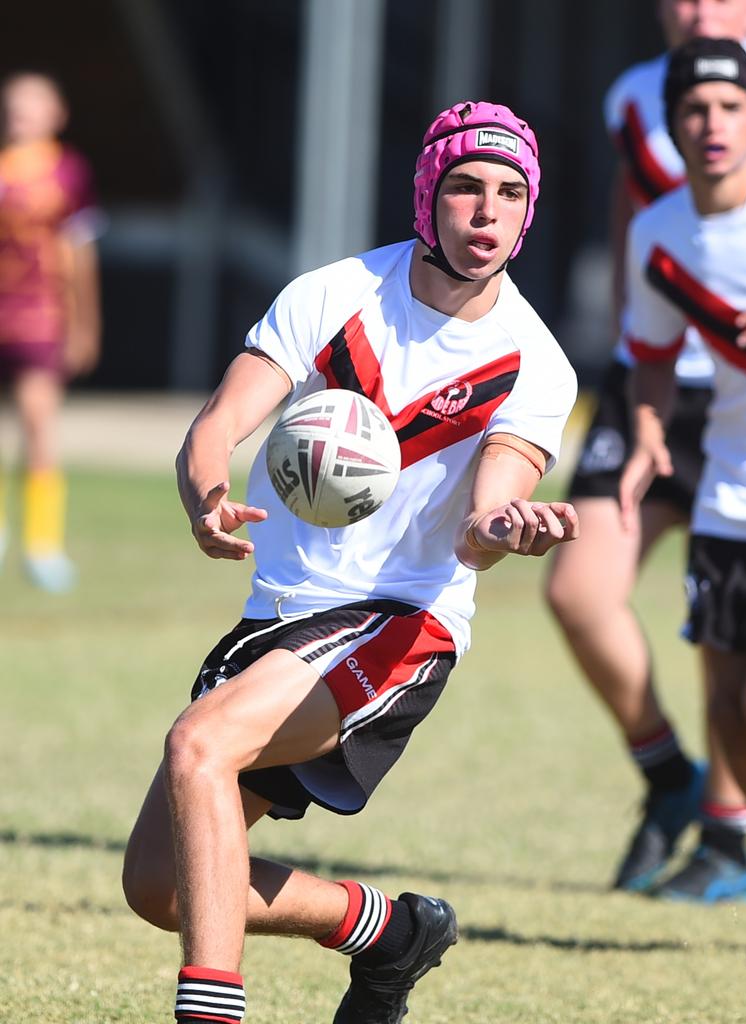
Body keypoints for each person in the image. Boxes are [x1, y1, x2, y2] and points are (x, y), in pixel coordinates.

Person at [121, 101, 578, 1024]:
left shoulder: (537, 362)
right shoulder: (333, 296)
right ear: (427, 196)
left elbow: (477, 524)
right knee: (162, 888)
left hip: (401, 619)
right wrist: (207, 498)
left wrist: (504, 530)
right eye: (465, 189)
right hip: (284, 613)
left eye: (509, 194)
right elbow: (213, 430)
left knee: (199, 746)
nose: (487, 213)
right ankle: (389, 932)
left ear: (529, 213)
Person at [545, 0, 746, 902]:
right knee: (578, 587)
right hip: (671, 378)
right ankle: (670, 774)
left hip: (744, 397)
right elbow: (634, 214)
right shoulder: (634, 97)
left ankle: (725, 839)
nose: (697, 9)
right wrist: (639, 407)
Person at [618, 34, 746, 944]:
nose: (711, 125)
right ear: (673, 126)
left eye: (729, 108)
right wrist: (643, 432)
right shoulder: (658, 233)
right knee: (726, 717)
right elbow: (651, 358)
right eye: (694, 111)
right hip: (729, 496)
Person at [0, 71, 102, 593]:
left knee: (38, 426)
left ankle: (42, 546)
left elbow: (79, 252)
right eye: (15, 105)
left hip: (39, 315)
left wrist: (85, 322)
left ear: (56, 114)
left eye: (33, 105)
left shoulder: (68, 173)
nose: (22, 114)